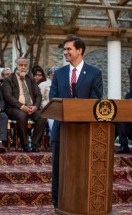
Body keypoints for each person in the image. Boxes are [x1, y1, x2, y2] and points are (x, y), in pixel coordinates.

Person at [49, 34, 103, 208]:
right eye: (64, 49)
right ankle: (58, 204)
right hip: (62, 129)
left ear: (79, 51)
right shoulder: (59, 74)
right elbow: (53, 99)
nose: (65, 52)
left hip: (84, 131)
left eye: (68, 49)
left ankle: (82, 201)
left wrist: (78, 108)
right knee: (59, 168)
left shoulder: (95, 73)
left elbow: (96, 99)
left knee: (83, 168)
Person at [2, 57, 46, 153]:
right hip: (15, 108)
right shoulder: (9, 80)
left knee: (42, 116)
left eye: (25, 65)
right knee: (22, 116)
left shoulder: (30, 78)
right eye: (21, 65)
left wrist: (35, 106)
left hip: (31, 107)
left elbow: (38, 95)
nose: (23, 67)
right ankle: (25, 143)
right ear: (16, 66)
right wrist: (22, 107)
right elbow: (8, 97)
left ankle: (34, 143)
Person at [115, 68, 132, 154]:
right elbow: (125, 105)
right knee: (120, 118)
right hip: (130, 125)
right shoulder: (130, 93)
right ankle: (124, 145)